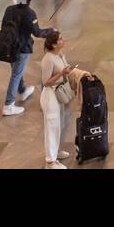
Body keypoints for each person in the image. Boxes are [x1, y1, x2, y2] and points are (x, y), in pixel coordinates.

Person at [0, 0, 52, 116]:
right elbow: (37, 32)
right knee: (16, 74)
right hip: (22, 48)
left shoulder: (9, 10)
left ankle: (22, 91)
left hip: (9, 46)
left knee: (16, 71)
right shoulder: (30, 13)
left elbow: (4, 27)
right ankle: (9, 105)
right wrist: (51, 31)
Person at [40, 31, 78, 169]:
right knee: (52, 126)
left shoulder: (60, 55)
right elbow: (45, 82)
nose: (64, 40)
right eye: (61, 39)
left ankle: (55, 151)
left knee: (61, 123)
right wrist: (62, 73)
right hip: (50, 96)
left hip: (59, 93)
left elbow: (65, 71)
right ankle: (50, 161)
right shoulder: (48, 59)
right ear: (54, 44)